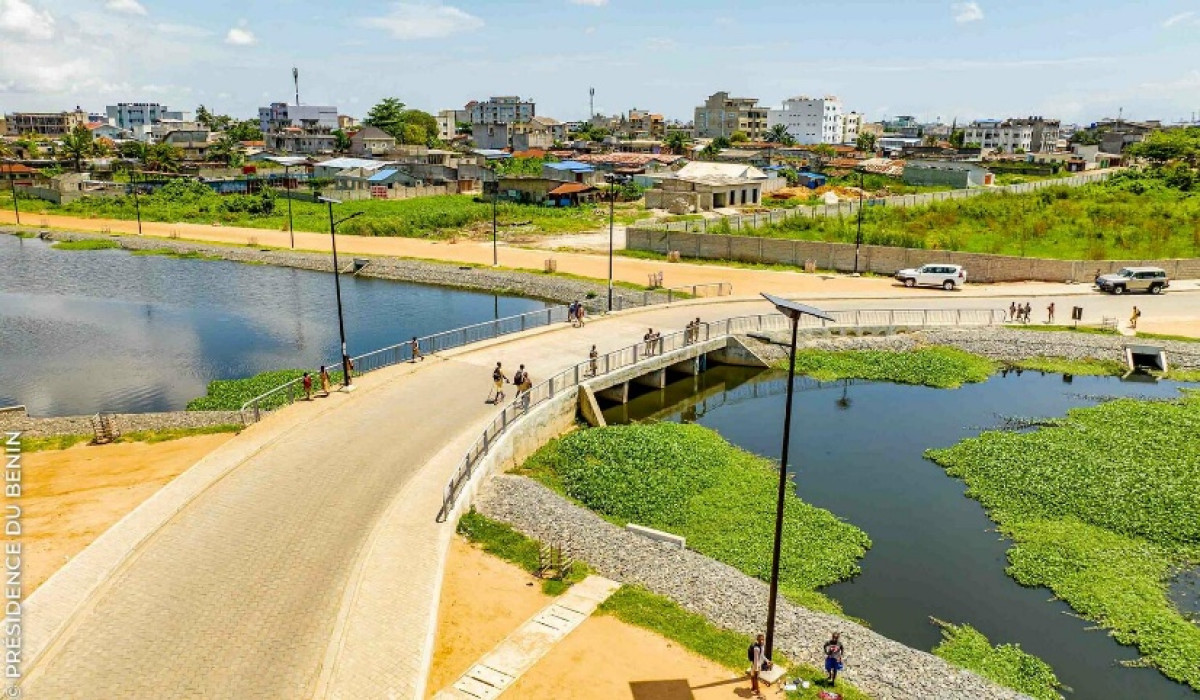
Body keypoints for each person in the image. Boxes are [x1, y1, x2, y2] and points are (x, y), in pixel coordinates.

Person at [747, 633, 767, 698]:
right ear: (757, 639)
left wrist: (767, 661)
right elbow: (755, 659)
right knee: (755, 677)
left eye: (763, 639)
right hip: (756, 665)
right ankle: (758, 692)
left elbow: (762, 655)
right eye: (760, 640)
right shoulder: (756, 649)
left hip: (757, 664)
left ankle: (753, 687)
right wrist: (756, 669)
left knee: (752, 676)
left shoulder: (762, 646)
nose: (762, 641)